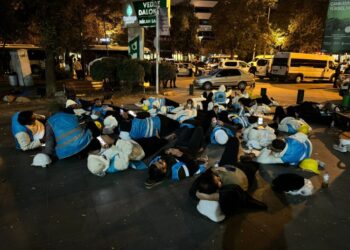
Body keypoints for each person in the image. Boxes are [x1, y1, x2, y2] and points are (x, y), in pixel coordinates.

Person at [190, 137, 267, 222]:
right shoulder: (230, 190)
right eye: (218, 181)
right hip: (244, 172)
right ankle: (246, 161)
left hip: (227, 166)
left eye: (215, 177)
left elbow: (193, 190)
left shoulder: (209, 178)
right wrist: (262, 206)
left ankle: (243, 160)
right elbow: (246, 200)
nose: (218, 178)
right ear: (217, 189)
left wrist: (215, 170)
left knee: (233, 140)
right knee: (255, 165)